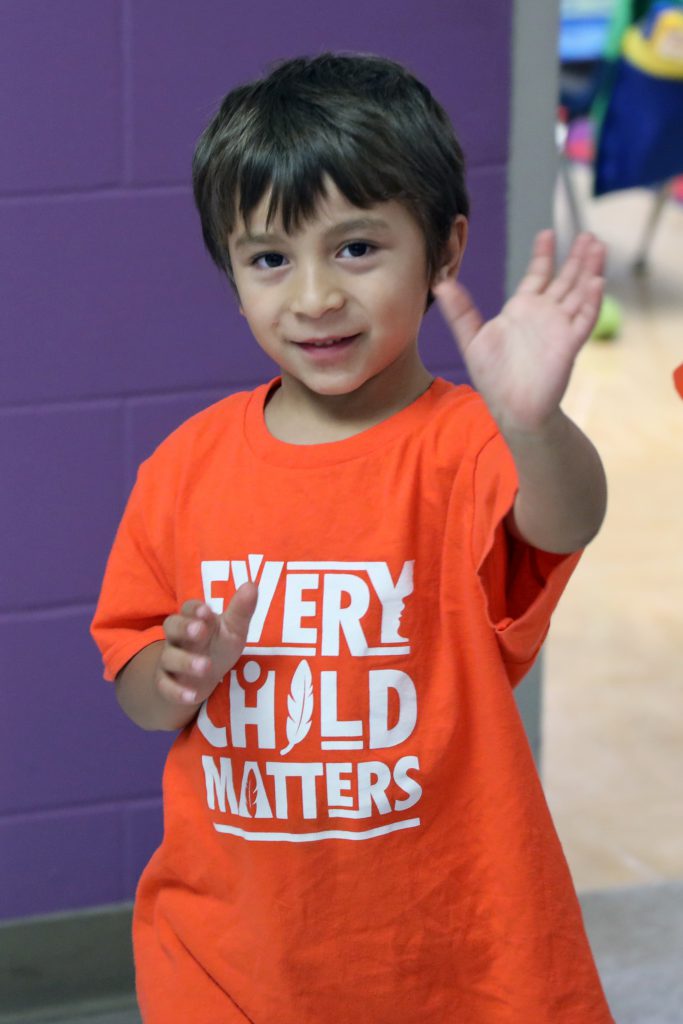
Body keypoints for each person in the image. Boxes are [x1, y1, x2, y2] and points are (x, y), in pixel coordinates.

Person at [91, 53, 614, 1023]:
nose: (314, 297)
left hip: (451, 949)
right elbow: (139, 691)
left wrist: (532, 423)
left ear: (444, 250)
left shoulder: (469, 442)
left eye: (357, 248)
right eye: (269, 258)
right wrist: (176, 670)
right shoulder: (182, 467)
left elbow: (564, 518)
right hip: (230, 953)